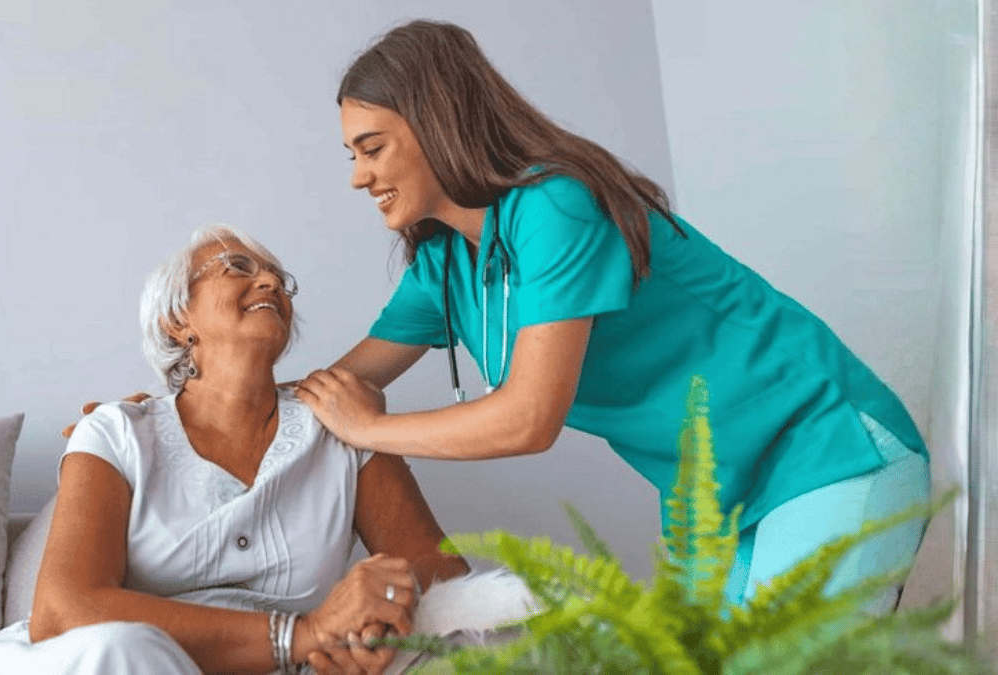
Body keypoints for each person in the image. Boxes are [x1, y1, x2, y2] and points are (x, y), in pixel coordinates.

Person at [293, 19, 932, 612]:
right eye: (353, 155)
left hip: (823, 448)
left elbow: (528, 418)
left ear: (435, 124)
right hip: (709, 505)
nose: (358, 177)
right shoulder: (444, 266)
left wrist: (372, 430)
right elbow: (340, 389)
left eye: (371, 148)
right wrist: (209, 388)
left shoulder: (556, 205)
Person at [0, 224, 475, 675]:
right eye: (237, 267)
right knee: (123, 650)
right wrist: (298, 635)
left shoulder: (341, 424)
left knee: (476, 636)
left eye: (281, 279)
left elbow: (442, 570)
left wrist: (376, 612)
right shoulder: (116, 432)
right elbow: (65, 610)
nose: (272, 283)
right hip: (129, 663)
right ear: (177, 320)